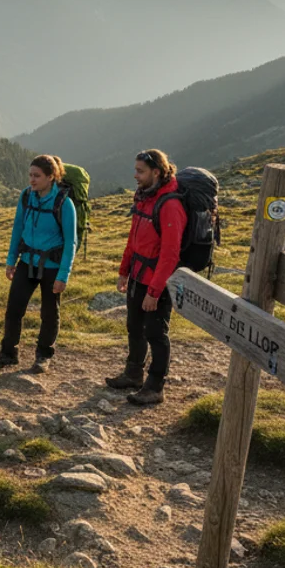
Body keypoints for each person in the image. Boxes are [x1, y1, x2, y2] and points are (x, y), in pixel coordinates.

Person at [106, 149, 186, 405]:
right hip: (139, 275)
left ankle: (155, 386)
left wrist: (154, 291)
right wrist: (123, 271)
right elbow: (133, 238)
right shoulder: (144, 198)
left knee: (155, 332)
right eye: (136, 170)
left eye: (140, 171)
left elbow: (170, 254)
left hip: (158, 281)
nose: (135, 176)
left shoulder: (170, 205)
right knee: (134, 327)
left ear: (157, 172)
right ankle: (133, 374)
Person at [0, 155, 77, 373]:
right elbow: (17, 228)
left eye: (37, 176)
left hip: (52, 266)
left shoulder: (64, 203)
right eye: (30, 175)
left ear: (51, 176)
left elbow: (70, 242)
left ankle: (43, 356)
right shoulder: (26, 196)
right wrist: (11, 261)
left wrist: (63, 276)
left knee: (49, 312)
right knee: (13, 310)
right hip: (26, 261)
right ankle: (8, 354)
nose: (32, 180)